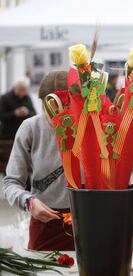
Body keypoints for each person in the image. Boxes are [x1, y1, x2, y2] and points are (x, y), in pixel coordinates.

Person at [2, 71, 74, 251]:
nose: (59, 116)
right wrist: (29, 202)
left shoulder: (90, 126)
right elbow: (11, 183)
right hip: (45, 224)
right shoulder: (31, 128)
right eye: (52, 108)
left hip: (88, 223)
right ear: (42, 103)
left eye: (66, 107)